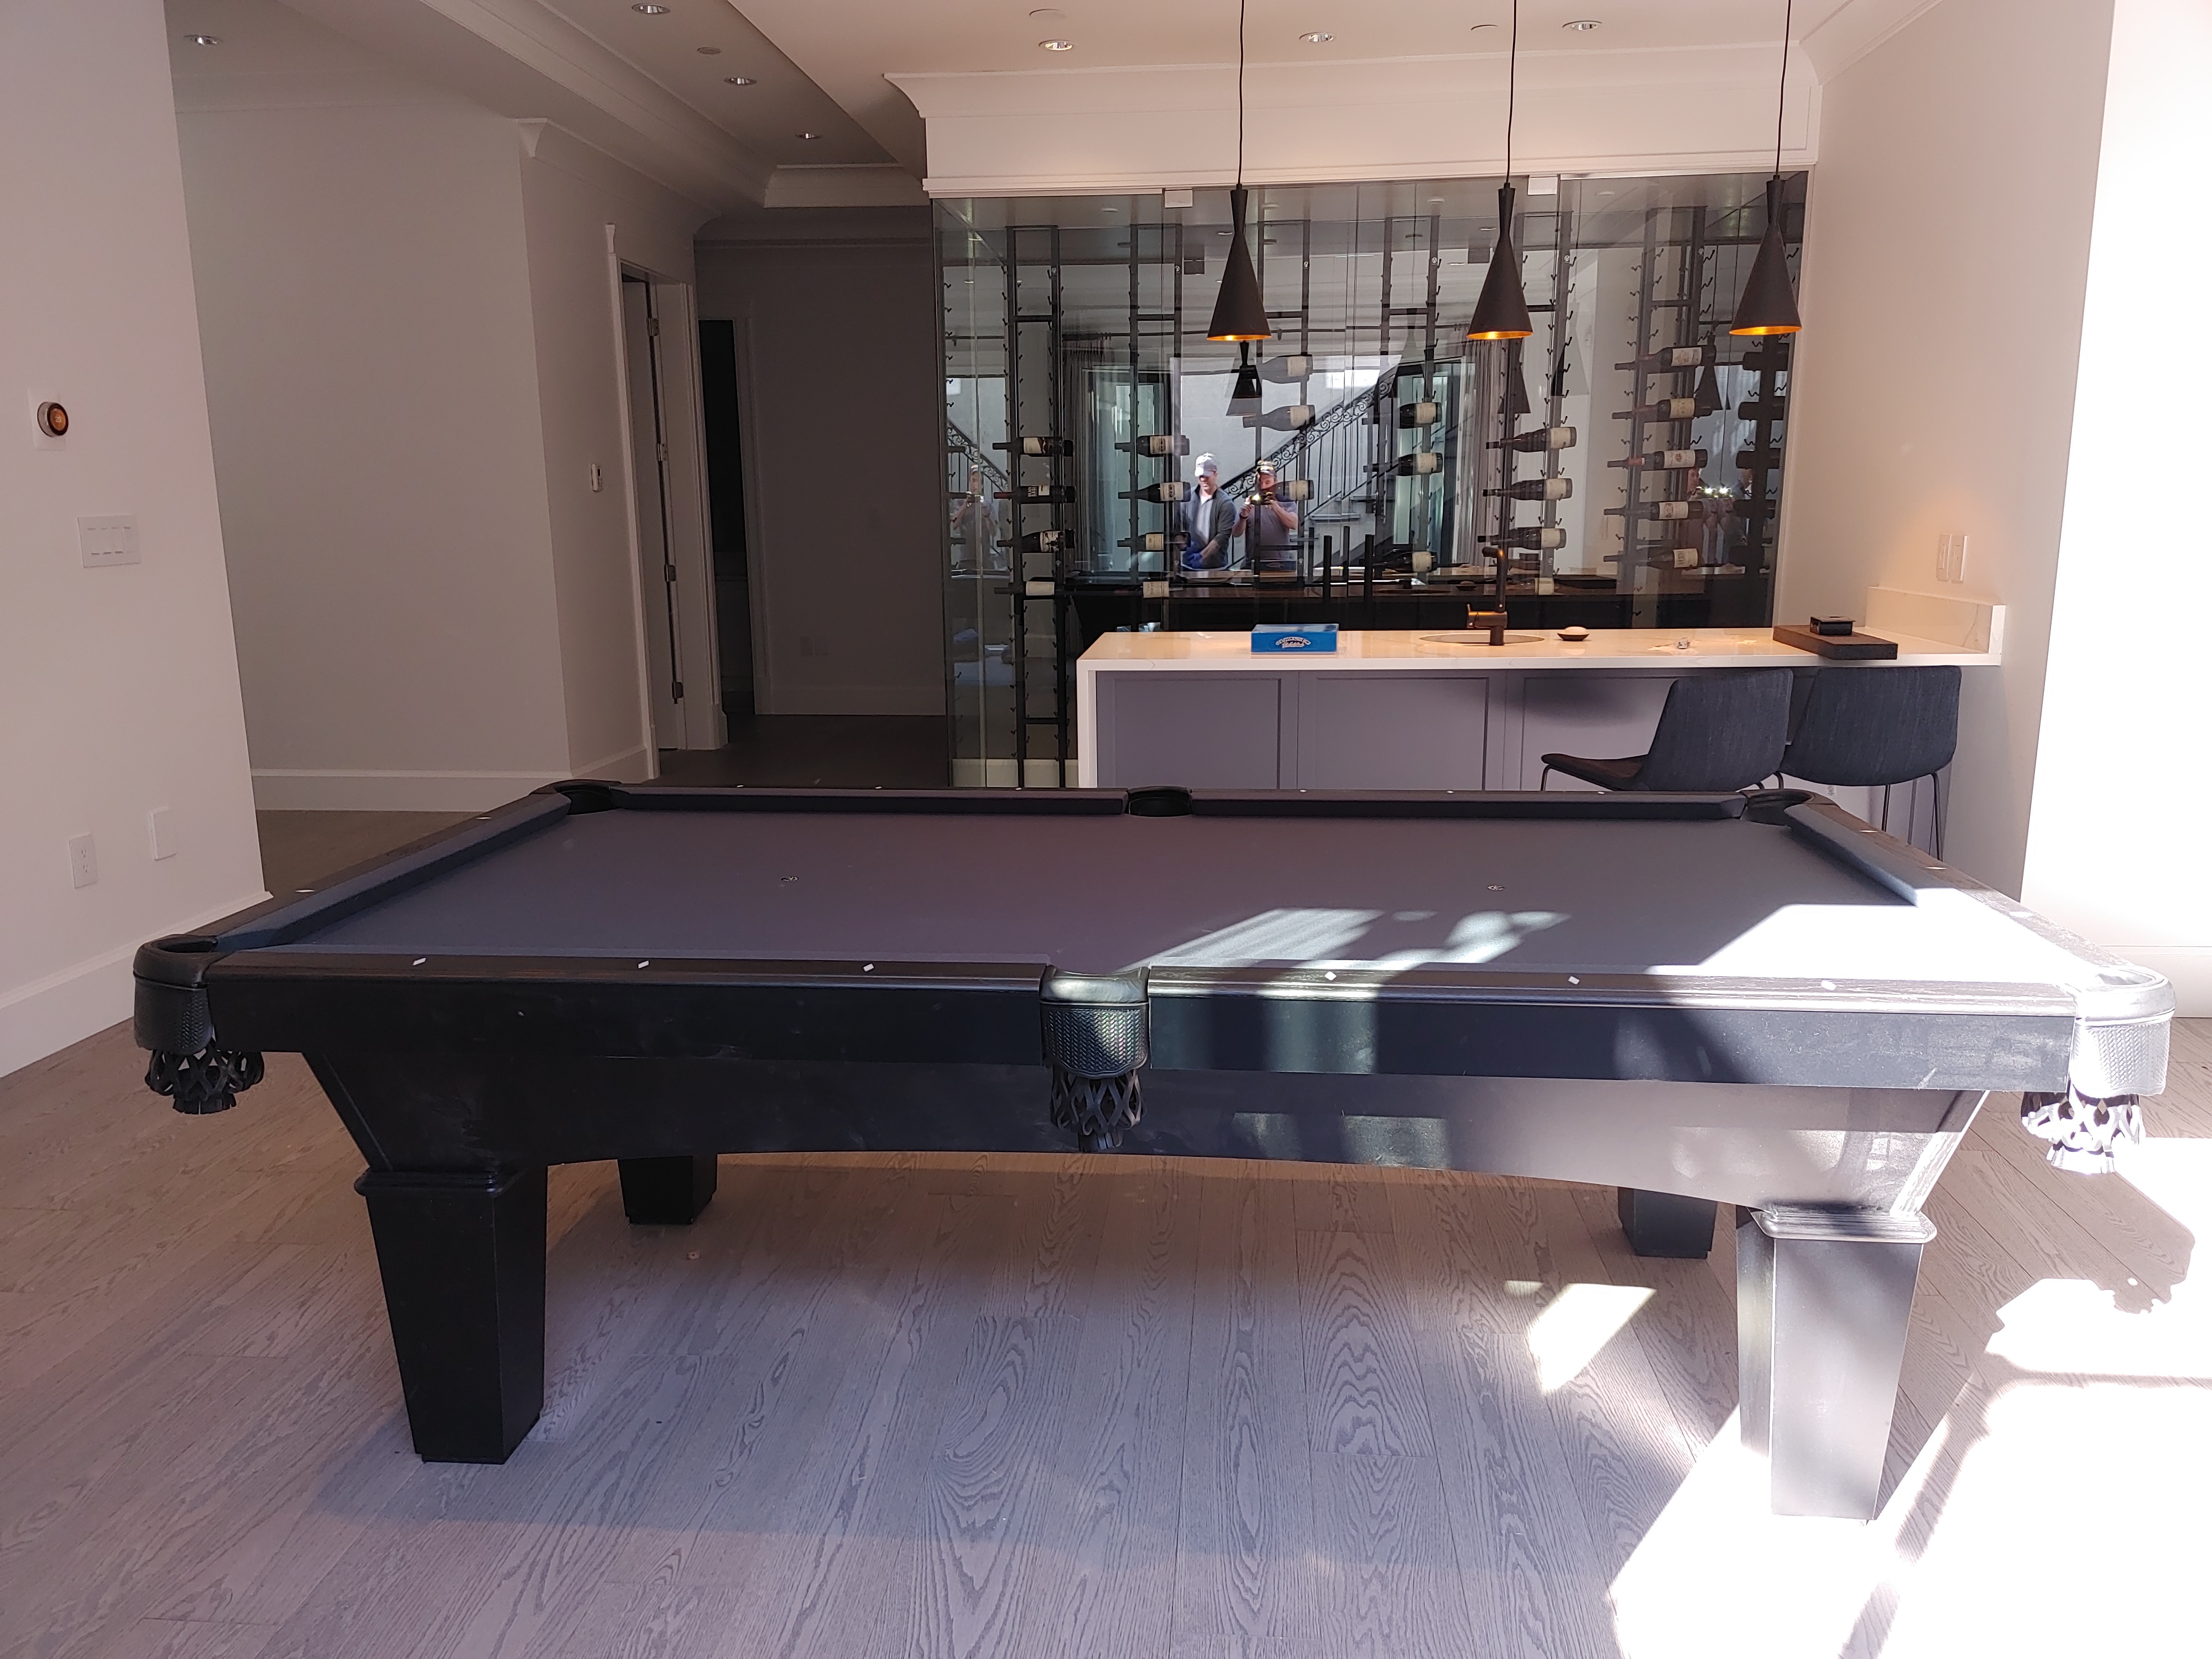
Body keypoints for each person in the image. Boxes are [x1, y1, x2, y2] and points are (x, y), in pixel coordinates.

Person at [1236, 460, 1301, 578]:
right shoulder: (1251, 502)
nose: (1263, 487)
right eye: (1260, 482)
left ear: (1275, 483)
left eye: (1268, 482)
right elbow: (1236, 533)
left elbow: (1294, 524)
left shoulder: (1286, 503)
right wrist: (1243, 516)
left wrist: (1276, 507)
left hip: (1281, 565)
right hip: (1253, 564)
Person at [1180, 454, 1234, 571]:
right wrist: (1184, 549)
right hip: (1187, 566)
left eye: (1207, 476)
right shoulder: (1186, 498)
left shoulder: (1226, 503)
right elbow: (1178, 527)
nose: (1203, 479)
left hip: (1216, 568)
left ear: (1216, 475)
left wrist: (1202, 558)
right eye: (1201, 476)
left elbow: (1222, 537)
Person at [948, 467, 1001, 571]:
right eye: (973, 480)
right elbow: (954, 525)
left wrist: (987, 516)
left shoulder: (988, 504)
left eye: (978, 481)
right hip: (966, 557)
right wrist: (965, 505)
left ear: (982, 485)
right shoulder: (960, 503)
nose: (975, 485)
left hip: (984, 557)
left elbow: (994, 532)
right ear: (969, 482)